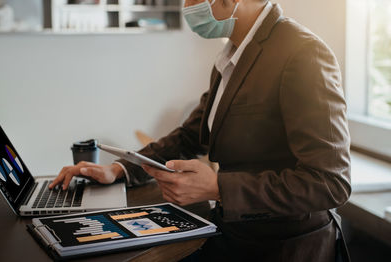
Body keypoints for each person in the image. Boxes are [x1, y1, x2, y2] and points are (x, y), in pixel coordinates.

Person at [49, 0, 351, 261]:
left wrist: (219, 187)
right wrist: (119, 169)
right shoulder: (232, 55)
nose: (186, 8)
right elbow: (191, 135)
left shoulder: (303, 53)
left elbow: (329, 183)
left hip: (282, 249)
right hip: (232, 235)